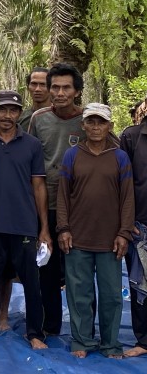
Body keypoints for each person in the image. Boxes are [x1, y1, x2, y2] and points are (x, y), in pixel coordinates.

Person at [0, 90, 49, 350]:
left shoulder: (32, 145)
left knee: (31, 282)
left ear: (19, 113)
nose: (7, 115)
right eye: (2, 110)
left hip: (24, 224)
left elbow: (38, 186)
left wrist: (44, 228)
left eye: (12, 110)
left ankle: (35, 333)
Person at [57, 103, 134, 359]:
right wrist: (63, 228)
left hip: (111, 240)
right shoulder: (72, 156)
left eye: (101, 122)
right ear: (83, 125)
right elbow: (63, 196)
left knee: (112, 295)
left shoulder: (120, 158)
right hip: (77, 238)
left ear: (110, 126)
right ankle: (82, 340)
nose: (95, 127)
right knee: (79, 294)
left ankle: (111, 344)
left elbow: (127, 199)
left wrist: (124, 233)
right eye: (91, 122)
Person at [28, 62, 85, 336]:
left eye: (66, 88)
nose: (60, 93)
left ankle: (82, 330)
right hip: (45, 205)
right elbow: (27, 157)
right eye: (55, 87)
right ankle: (50, 326)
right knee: (47, 271)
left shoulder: (89, 121)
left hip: (80, 208)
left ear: (76, 91)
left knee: (79, 271)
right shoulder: (39, 118)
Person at [118, 107, 147, 358]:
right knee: (140, 286)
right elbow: (123, 182)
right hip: (141, 224)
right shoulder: (132, 137)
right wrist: (126, 220)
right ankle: (144, 339)